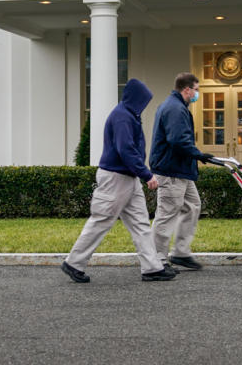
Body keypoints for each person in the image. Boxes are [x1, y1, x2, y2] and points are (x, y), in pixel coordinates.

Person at [62, 78, 176, 283]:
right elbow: (126, 150)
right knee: (101, 220)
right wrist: (146, 174)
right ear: (136, 98)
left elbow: (128, 150)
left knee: (140, 223)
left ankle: (152, 268)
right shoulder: (123, 116)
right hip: (116, 178)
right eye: (143, 100)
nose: (144, 104)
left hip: (127, 178)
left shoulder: (129, 114)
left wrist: (140, 173)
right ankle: (73, 263)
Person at [149, 72, 215, 271]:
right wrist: (198, 155)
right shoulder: (175, 109)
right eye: (196, 90)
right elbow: (178, 140)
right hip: (171, 170)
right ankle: (157, 260)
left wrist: (196, 156)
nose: (197, 94)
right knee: (167, 213)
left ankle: (181, 253)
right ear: (187, 89)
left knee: (193, 206)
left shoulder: (176, 106)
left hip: (180, 170)